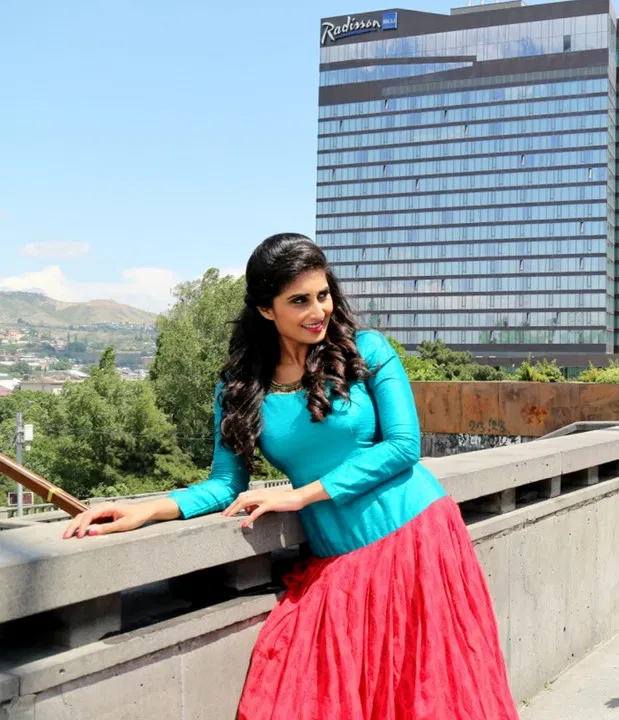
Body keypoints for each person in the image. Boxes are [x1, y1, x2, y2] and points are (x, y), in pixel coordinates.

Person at [62, 234, 519, 719]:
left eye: (323, 295)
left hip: (417, 537)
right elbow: (225, 484)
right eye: (299, 301)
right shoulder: (240, 388)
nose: (317, 311)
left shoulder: (367, 350)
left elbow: (404, 446)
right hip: (337, 556)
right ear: (266, 309)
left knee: (429, 697)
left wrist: (302, 496)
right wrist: (148, 509)